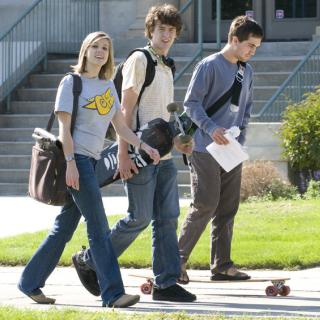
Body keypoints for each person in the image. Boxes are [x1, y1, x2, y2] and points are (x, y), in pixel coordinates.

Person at [18, 31, 160, 308]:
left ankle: (29, 282)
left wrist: (144, 145)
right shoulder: (71, 83)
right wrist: (71, 164)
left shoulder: (107, 87)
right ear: (84, 50)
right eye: (95, 46)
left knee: (63, 228)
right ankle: (112, 293)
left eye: (105, 48)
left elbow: (120, 127)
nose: (100, 51)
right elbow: (64, 131)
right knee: (98, 227)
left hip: (92, 162)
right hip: (77, 161)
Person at [72, 4, 196, 302]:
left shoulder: (167, 65)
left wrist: (179, 142)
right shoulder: (140, 60)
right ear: (150, 31)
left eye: (171, 31)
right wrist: (124, 155)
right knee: (138, 217)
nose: (166, 35)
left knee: (167, 218)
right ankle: (90, 259)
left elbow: (161, 116)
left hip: (163, 156)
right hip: (139, 155)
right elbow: (124, 111)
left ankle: (165, 283)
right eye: (161, 30)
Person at [178, 16, 263, 284]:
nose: (252, 51)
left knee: (228, 207)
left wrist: (241, 140)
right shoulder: (209, 65)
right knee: (205, 203)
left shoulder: (246, 72)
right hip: (203, 146)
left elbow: (245, 112)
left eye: (256, 48)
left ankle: (222, 265)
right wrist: (212, 127)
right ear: (234, 40)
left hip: (231, 149)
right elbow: (191, 104)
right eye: (250, 45)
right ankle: (175, 262)